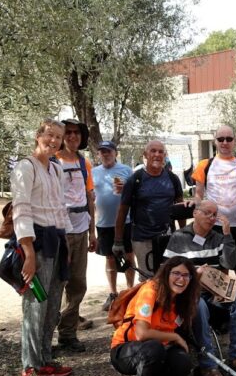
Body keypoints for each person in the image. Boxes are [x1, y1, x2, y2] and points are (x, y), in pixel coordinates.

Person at [162, 199, 236, 376]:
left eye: (215, 214)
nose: (212, 218)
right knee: (199, 305)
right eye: (207, 213)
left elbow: (230, 263)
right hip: (189, 294)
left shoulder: (218, 237)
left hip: (214, 292)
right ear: (195, 213)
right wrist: (192, 274)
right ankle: (208, 364)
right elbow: (166, 272)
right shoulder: (179, 237)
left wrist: (228, 235)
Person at [11, 118, 72, 376]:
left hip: (56, 242)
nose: (54, 141)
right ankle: (29, 367)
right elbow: (21, 210)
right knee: (35, 305)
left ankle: (45, 359)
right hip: (36, 244)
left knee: (52, 304)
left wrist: (65, 244)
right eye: (49, 135)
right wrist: (28, 254)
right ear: (38, 136)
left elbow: (60, 207)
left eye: (58, 137)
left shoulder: (56, 169)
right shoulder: (26, 167)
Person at [109, 257, 199, 376]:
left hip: (158, 349)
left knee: (183, 363)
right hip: (126, 349)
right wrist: (174, 336)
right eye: (176, 273)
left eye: (186, 275)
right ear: (166, 273)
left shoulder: (182, 299)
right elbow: (141, 334)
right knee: (154, 348)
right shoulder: (150, 290)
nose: (181, 279)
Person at [192, 125, 236, 300]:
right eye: (221, 139)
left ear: (235, 141)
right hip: (215, 227)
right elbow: (198, 194)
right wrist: (196, 207)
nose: (225, 142)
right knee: (220, 273)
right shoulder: (205, 165)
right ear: (215, 141)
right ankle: (223, 310)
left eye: (229, 139)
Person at [114, 140, 186, 278]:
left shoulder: (172, 178)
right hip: (142, 239)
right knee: (148, 279)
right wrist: (118, 242)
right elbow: (122, 212)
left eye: (160, 152)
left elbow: (180, 208)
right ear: (145, 154)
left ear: (165, 155)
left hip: (168, 237)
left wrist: (183, 234)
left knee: (168, 277)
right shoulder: (135, 180)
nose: (157, 154)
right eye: (153, 151)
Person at [56, 118, 97, 352]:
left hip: (80, 230)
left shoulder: (84, 163)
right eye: (68, 132)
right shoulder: (53, 161)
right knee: (56, 283)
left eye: (76, 133)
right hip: (59, 232)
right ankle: (47, 336)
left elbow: (89, 197)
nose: (72, 136)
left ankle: (67, 335)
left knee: (77, 284)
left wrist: (92, 232)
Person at [91, 140, 133, 311]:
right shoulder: (93, 172)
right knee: (109, 258)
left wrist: (126, 189)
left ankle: (130, 292)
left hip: (126, 221)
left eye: (108, 151)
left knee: (129, 256)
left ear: (115, 153)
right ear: (98, 154)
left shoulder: (126, 170)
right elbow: (89, 194)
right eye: (102, 151)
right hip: (103, 223)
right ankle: (113, 293)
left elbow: (135, 193)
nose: (105, 154)